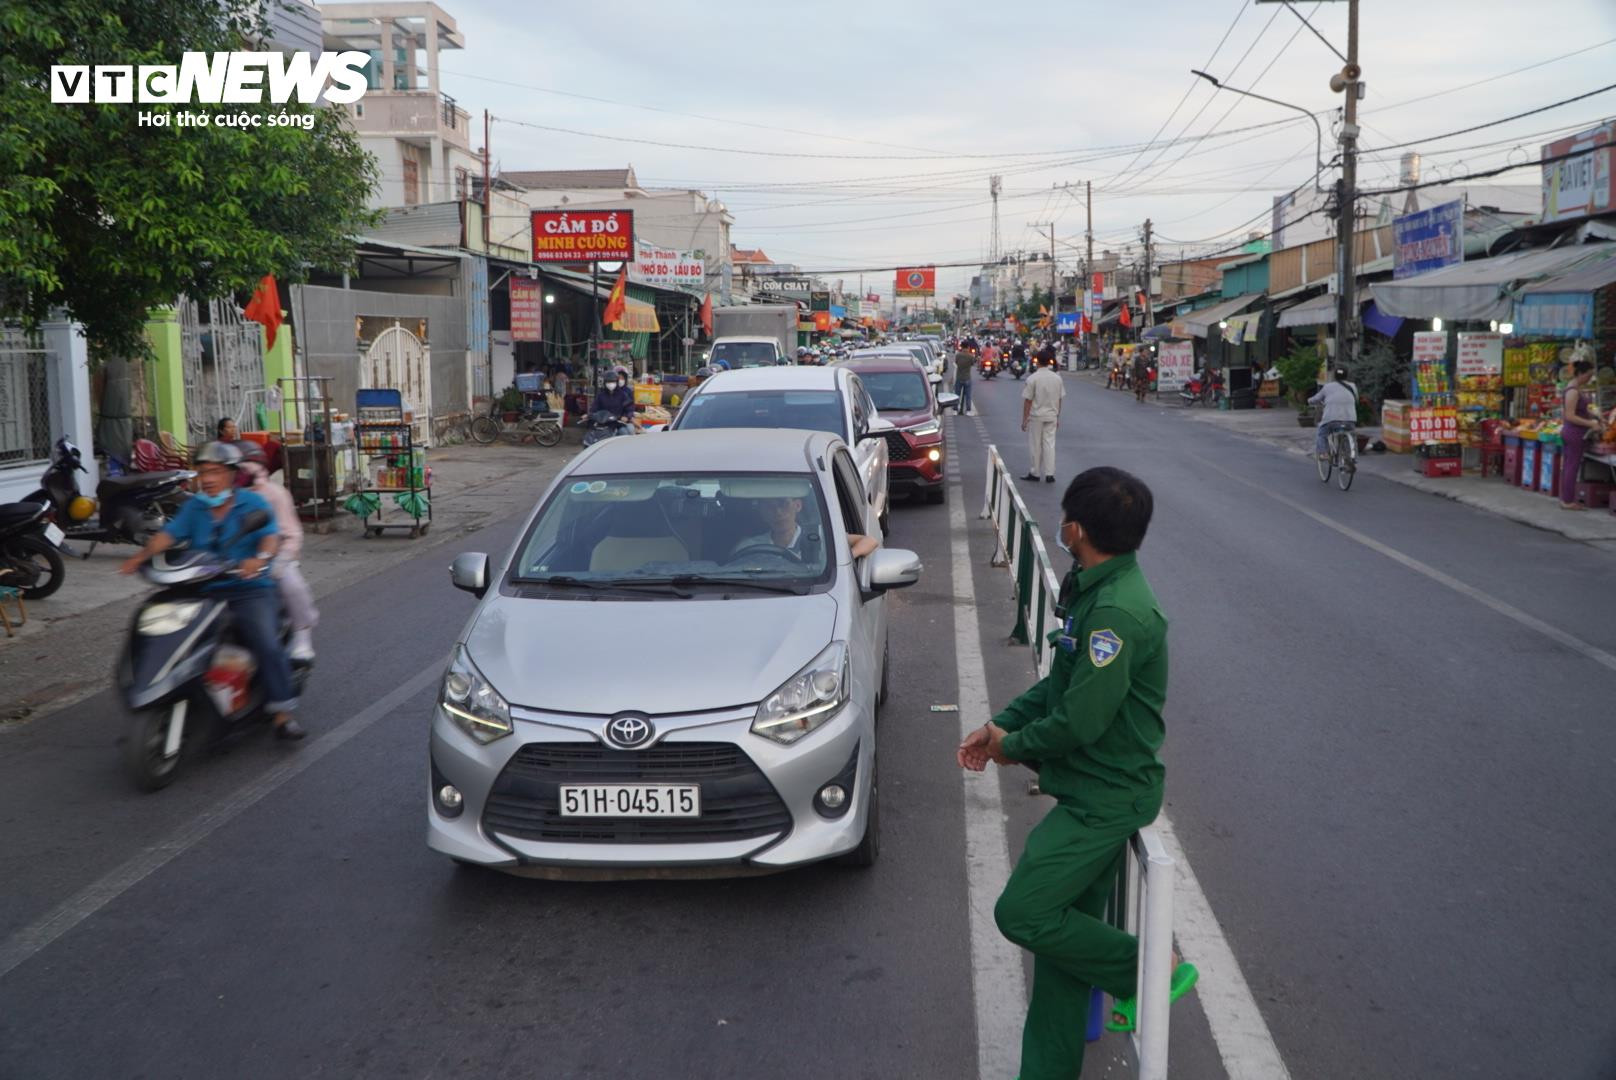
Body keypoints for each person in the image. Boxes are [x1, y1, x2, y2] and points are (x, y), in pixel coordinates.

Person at [957, 466, 1196, 1079]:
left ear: (1077, 528)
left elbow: (1077, 723)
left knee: (1024, 914)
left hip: (1105, 798)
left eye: (1064, 518)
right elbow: (1060, 687)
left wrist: (1012, 748)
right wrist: (1000, 724)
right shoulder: (1092, 586)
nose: (1059, 527)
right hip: (1089, 789)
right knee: (1063, 957)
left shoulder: (1117, 614)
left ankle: (1148, 970)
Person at [119, 441, 304, 740]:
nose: (207, 478)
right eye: (203, 471)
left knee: (265, 642)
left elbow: (270, 538)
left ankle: (282, 712)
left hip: (248, 589)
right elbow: (169, 535)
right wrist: (139, 558)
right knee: (159, 628)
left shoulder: (253, 504)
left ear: (231, 474)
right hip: (202, 589)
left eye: (215, 472)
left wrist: (259, 559)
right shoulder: (195, 506)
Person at [237, 442, 318, 661]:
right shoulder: (224, 497)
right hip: (235, 559)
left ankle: (302, 633)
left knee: (292, 585)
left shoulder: (274, 494)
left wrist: (279, 560)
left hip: (275, 557)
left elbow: (291, 533)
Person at [730, 496, 877, 561]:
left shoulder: (821, 535)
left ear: (797, 506)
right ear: (762, 513)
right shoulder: (749, 546)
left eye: (783, 504)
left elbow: (869, 541)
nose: (778, 513)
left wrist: (848, 557)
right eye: (769, 507)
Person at [1558, 358, 1607, 510]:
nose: (1589, 378)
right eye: (1588, 375)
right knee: (1572, 466)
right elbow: (1570, 415)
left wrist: (1594, 416)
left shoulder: (1575, 389)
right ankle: (1568, 501)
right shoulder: (1572, 391)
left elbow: (1581, 411)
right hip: (1574, 433)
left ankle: (1566, 498)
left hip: (1573, 432)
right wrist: (1590, 424)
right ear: (1580, 374)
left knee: (1569, 465)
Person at [1022, 355, 1065, 483]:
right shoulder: (1057, 378)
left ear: (1037, 362)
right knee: (1049, 444)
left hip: (1037, 416)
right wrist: (1057, 417)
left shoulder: (1032, 378)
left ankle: (1035, 472)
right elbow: (1059, 399)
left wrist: (1024, 419)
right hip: (1052, 415)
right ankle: (1050, 474)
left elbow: (1028, 401)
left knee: (1036, 444)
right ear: (1048, 363)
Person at [1308, 367, 1359, 460]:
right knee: (1351, 434)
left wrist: (1309, 401)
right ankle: (1351, 457)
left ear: (1334, 376)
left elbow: (1316, 398)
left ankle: (1324, 453)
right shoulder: (1353, 386)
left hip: (1331, 419)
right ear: (1346, 376)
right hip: (1350, 418)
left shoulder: (1327, 387)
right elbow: (1356, 399)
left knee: (1321, 433)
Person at [952, 346, 975, 415]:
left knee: (956, 394)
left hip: (959, 377)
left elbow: (956, 363)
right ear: (968, 348)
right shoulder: (971, 356)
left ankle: (955, 410)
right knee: (968, 395)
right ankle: (968, 410)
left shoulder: (958, 355)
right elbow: (972, 364)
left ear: (962, 347)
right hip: (967, 378)